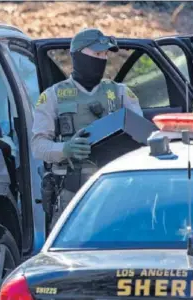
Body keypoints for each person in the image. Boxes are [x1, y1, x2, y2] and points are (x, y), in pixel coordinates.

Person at [30, 28, 144, 228]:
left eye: (104, 55)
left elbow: (143, 135)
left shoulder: (120, 92)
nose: (102, 59)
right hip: (72, 192)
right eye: (96, 54)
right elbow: (38, 145)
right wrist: (65, 149)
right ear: (78, 56)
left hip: (115, 189)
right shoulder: (53, 96)